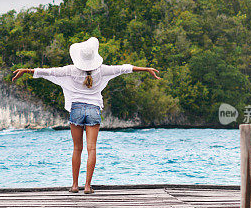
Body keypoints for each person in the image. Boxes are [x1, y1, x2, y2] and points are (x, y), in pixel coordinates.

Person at [12, 37, 161, 194]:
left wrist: (27, 71)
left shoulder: (71, 69)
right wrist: (146, 69)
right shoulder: (102, 70)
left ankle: (75, 186)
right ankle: (88, 187)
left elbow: (49, 71)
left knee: (77, 149)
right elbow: (124, 68)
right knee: (92, 149)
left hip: (76, 110)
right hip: (93, 110)